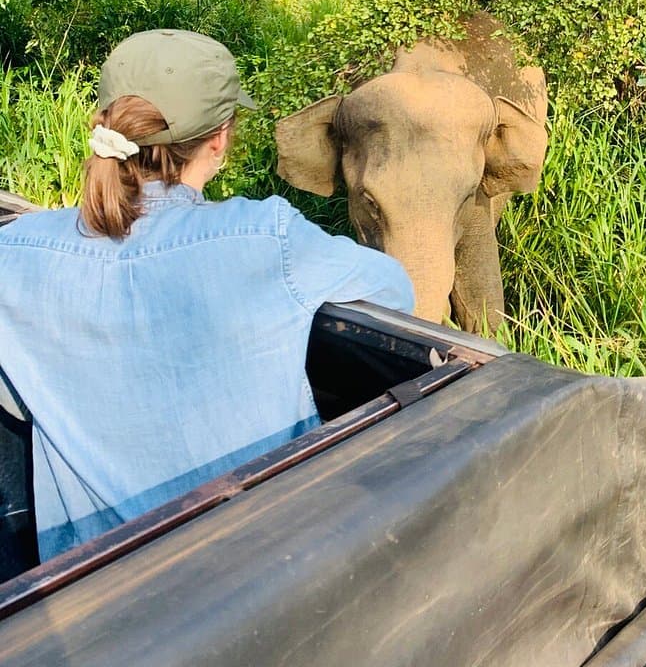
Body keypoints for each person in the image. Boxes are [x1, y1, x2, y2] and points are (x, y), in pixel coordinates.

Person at [0, 29, 414, 562]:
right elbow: (395, 289)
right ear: (218, 139)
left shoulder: (15, 251)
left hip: (86, 586)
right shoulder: (268, 236)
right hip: (262, 570)